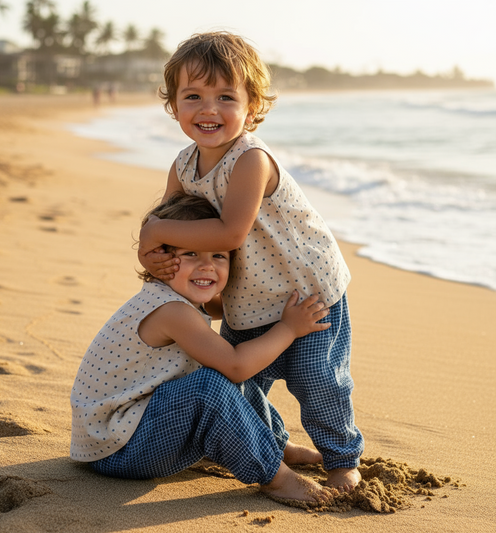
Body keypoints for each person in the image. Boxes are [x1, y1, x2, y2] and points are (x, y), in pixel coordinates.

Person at [138, 32, 364, 491]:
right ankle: (275, 444)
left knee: (318, 379)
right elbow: (165, 225)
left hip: (306, 294)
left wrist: (154, 232)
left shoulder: (250, 160)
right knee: (239, 385)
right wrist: (154, 252)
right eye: (193, 96)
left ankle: (342, 457)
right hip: (245, 300)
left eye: (226, 97)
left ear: (252, 103)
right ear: (174, 105)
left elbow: (230, 232)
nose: (209, 109)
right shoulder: (183, 166)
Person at [71, 193, 335, 506]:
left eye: (219, 256)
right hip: (115, 450)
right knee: (213, 380)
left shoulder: (180, 300)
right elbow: (237, 367)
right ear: (159, 259)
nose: (206, 266)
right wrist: (288, 329)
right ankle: (276, 477)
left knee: (219, 364)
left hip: (126, 434)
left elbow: (224, 308)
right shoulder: (171, 311)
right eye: (191, 254)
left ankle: (277, 445)